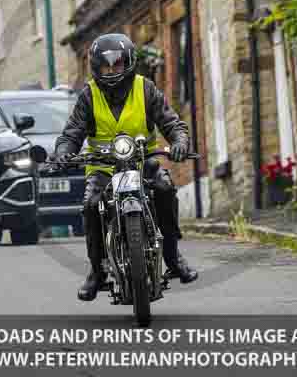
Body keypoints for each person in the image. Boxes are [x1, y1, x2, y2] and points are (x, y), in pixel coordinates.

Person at [54, 33, 198, 301]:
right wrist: (64, 152)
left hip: (143, 164)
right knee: (90, 205)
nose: (111, 71)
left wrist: (179, 142)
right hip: (103, 169)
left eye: (117, 65)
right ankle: (97, 272)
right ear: (95, 68)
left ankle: (173, 256)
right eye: (105, 66)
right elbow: (72, 133)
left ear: (128, 63)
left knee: (165, 188)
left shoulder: (145, 89)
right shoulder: (89, 95)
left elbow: (172, 122)